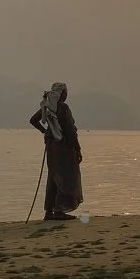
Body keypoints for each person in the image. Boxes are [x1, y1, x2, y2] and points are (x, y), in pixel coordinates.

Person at [29, 82, 84, 221]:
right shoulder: (63, 108)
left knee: (53, 177)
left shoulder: (48, 107)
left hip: (51, 147)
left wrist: (46, 132)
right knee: (66, 178)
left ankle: (49, 211)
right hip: (64, 147)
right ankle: (59, 210)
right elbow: (70, 131)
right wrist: (77, 149)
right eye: (65, 93)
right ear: (62, 94)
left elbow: (33, 120)